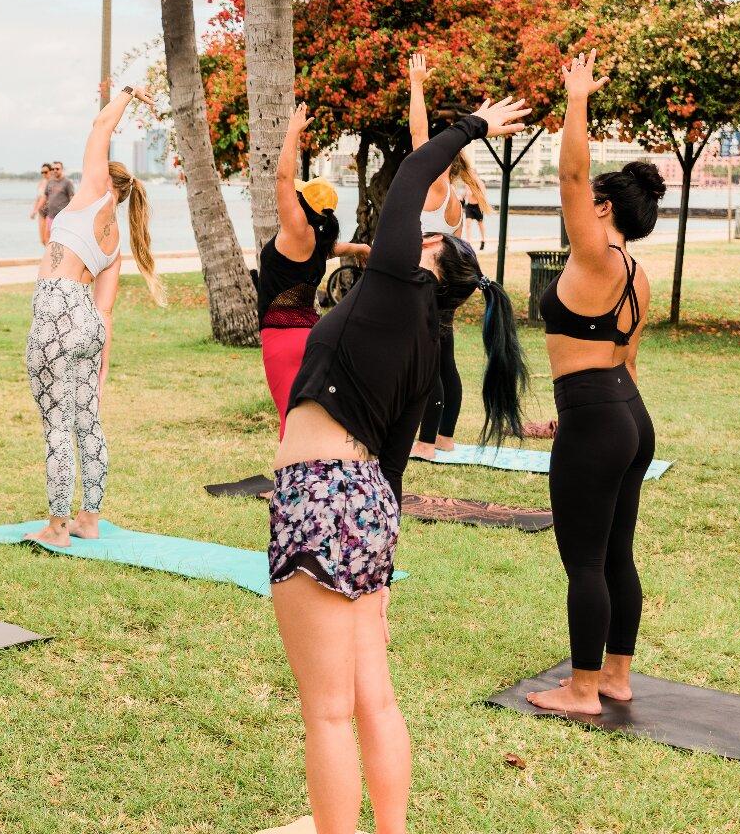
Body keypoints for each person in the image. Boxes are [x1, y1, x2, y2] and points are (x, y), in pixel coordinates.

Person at [272, 95, 531, 834]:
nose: (414, 231)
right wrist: (380, 578)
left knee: (327, 712)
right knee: (372, 700)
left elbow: (415, 173)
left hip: (318, 495)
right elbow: (392, 466)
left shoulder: (395, 284)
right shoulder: (425, 338)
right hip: (367, 506)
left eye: (423, 236)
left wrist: (474, 127)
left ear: (426, 263)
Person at [525, 51, 664, 717]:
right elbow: (624, 361)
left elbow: (572, 174)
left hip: (599, 418)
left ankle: (581, 690)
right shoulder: (635, 274)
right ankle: (615, 676)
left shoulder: (595, 254)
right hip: (625, 414)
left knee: (584, 560)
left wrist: (576, 98)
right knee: (616, 555)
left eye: (589, 203)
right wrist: (584, 417)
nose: (577, 207)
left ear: (603, 208)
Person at [25, 85, 165, 548]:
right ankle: (89, 519)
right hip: (87, 322)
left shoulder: (90, 192)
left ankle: (57, 527)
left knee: (56, 424)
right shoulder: (115, 240)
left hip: (56, 310)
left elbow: (102, 124)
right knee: (87, 422)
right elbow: (105, 309)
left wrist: (128, 94)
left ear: (104, 178)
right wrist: (102, 364)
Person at [259, 101, 368, 437]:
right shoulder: (317, 240)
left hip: (282, 338)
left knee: (289, 419)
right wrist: (360, 248)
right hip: (312, 335)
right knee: (308, 417)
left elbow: (282, 177)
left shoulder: (296, 230)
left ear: (303, 205)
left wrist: (292, 132)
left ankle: (291, 471)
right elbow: (334, 249)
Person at [406, 54, 470, 462]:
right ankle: (445, 438)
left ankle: (426, 443)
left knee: (430, 367)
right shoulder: (455, 201)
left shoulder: (436, 188)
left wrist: (416, 85)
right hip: (445, 289)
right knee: (446, 362)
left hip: (428, 289)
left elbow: (418, 134)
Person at [29, 162, 76, 247]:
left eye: (45, 172)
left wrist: (73, 214)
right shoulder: (48, 182)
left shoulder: (67, 182)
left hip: (59, 215)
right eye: (42, 172)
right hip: (48, 214)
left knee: (58, 239)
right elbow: (42, 197)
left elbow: (72, 198)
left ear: (62, 169)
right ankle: (49, 253)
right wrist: (35, 210)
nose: (44, 174)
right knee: (45, 239)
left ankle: (54, 253)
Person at [453, 153, 489, 250]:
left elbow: (483, 194)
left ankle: (483, 240)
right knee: (468, 224)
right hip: (469, 206)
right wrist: (461, 197)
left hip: (478, 206)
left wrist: (474, 194)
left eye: (472, 173)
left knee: (480, 224)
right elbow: (466, 193)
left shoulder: (479, 183)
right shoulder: (467, 183)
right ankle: (469, 242)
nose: (470, 175)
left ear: (475, 174)